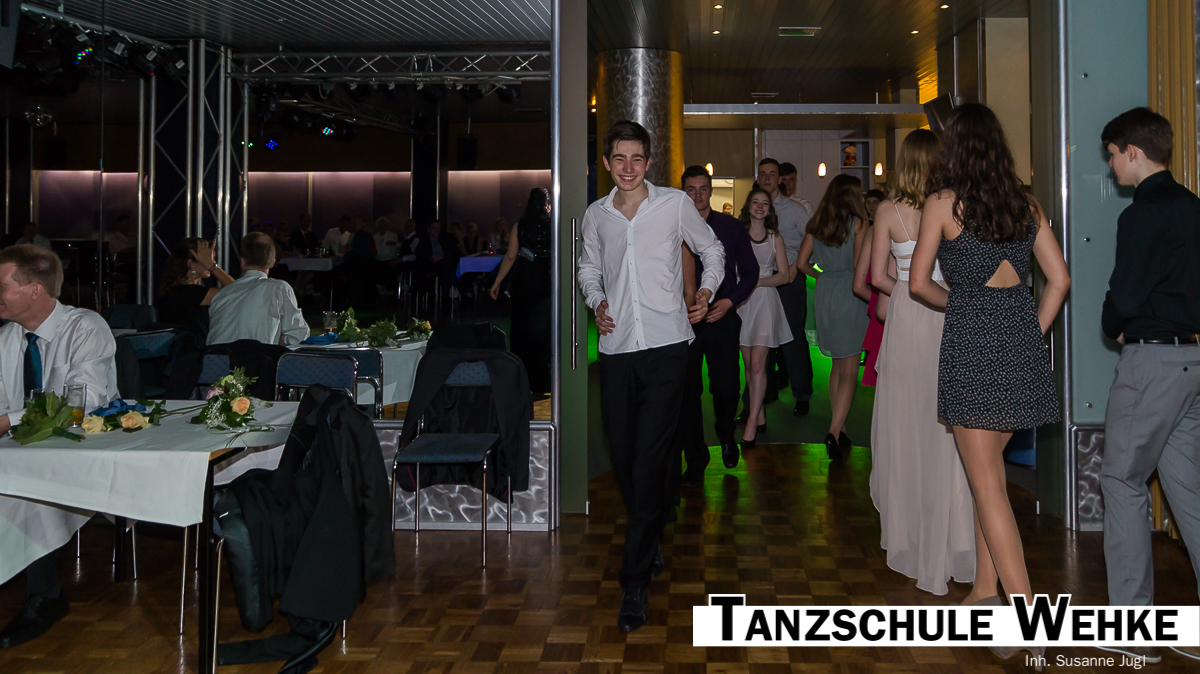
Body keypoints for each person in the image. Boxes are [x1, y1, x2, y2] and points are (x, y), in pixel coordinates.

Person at [910, 103, 1069, 667]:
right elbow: (1059, 280)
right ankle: (984, 590)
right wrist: (1028, 333)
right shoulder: (1025, 203)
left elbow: (918, 283)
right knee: (989, 480)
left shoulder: (943, 203)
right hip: (1019, 348)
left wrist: (961, 305)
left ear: (954, 148)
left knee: (988, 487)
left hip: (973, 348)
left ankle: (1029, 620)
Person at [578, 120, 724, 633]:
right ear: (606, 163)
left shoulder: (674, 205)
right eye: (619, 158)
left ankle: (634, 582)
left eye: (636, 158)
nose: (628, 168)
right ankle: (653, 530)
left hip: (667, 350)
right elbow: (588, 268)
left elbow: (712, 250)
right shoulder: (596, 216)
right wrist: (596, 301)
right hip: (617, 350)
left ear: (648, 161)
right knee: (624, 457)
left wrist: (705, 291)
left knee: (646, 462)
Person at [1095, 108, 1200, 665]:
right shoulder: (1193, 207)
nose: (1111, 166)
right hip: (1193, 360)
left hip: (1152, 363)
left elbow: (1126, 296)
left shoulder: (1141, 215)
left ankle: (1133, 626)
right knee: (1189, 492)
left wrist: (1111, 321)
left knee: (1122, 481)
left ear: (1133, 151)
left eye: (1113, 155)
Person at [861, 128, 975, 596]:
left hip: (909, 321)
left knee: (906, 425)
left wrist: (909, 293)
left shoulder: (888, 211)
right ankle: (953, 540)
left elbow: (876, 277)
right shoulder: (956, 207)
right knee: (947, 430)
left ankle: (911, 536)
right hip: (948, 315)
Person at [0, 244, 119, 649]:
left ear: (34, 290)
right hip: (25, 445)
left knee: (27, 487)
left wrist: (9, 421)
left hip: (84, 444)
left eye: (2, 286)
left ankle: (45, 596)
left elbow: (84, 401)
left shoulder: (85, 327)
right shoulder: (7, 338)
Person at [674, 165, 758, 485]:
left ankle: (726, 433)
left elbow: (750, 271)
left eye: (703, 189)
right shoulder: (672, 227)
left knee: (726, 389)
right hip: (684, 322)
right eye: (691, 189)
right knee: (687, 393)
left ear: (711, 191)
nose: (697, 195)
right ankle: (695, 460)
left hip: (721, 317)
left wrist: (729, 302)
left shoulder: (730, 227)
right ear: (683, 192)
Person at [795, 174, 871, 460]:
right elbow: (858, 264)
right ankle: (834, 430)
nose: (863, 198)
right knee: (850, 369)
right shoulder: (859, 224)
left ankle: (842, 429)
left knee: (837, 367)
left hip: (826, 292)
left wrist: (823, 278)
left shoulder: (817, 224)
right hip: (851, 292)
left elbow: (801, 264)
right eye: (860, 193)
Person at [737, 188, 795, 452]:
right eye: (755, 202)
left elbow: (784, 275)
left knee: (758, 364)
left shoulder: (775, 238)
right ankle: (759, 413)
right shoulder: (738, 234)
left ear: (770, 209)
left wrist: (757, 282)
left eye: (764, 203)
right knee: (749, 365)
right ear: (748, 206)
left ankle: (751, 421)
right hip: (742, 304)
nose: (759, 207)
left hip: (764, 303)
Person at [754, 158, 813, 418]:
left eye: (772, 174)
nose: (767, 178)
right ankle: (763, 393)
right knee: (761, 338)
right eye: (763, 174)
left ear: (779, 179)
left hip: (789, 278)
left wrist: (798, 267)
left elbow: (811, 243)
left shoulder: (795, 210)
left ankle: (802, 394)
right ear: (758, 177)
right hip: (762, 281)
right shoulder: (752, 209)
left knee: (792, 338)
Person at [490, 188, 553, 395]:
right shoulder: (554, 224)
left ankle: (522, 378)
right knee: (544, 330)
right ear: (547, 203)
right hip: (547, 279)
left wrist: (497, 282)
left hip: (525, 280)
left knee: (522, 329)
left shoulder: (520, 225)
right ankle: (544, 382)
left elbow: (510, 257)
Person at [207, 232, 309, 346]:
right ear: (272, 262)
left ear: (242, 261)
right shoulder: (279, 288)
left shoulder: (221, 294)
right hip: (253, 356)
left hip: (214, 356)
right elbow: (299, 335)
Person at [156, 237, 236, 342]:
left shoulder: (176, 289)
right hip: (193, 350)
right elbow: (236, 290)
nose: (212, 262)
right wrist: (212, 266)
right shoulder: (188, 293)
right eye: (207, 259)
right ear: (191, 264)